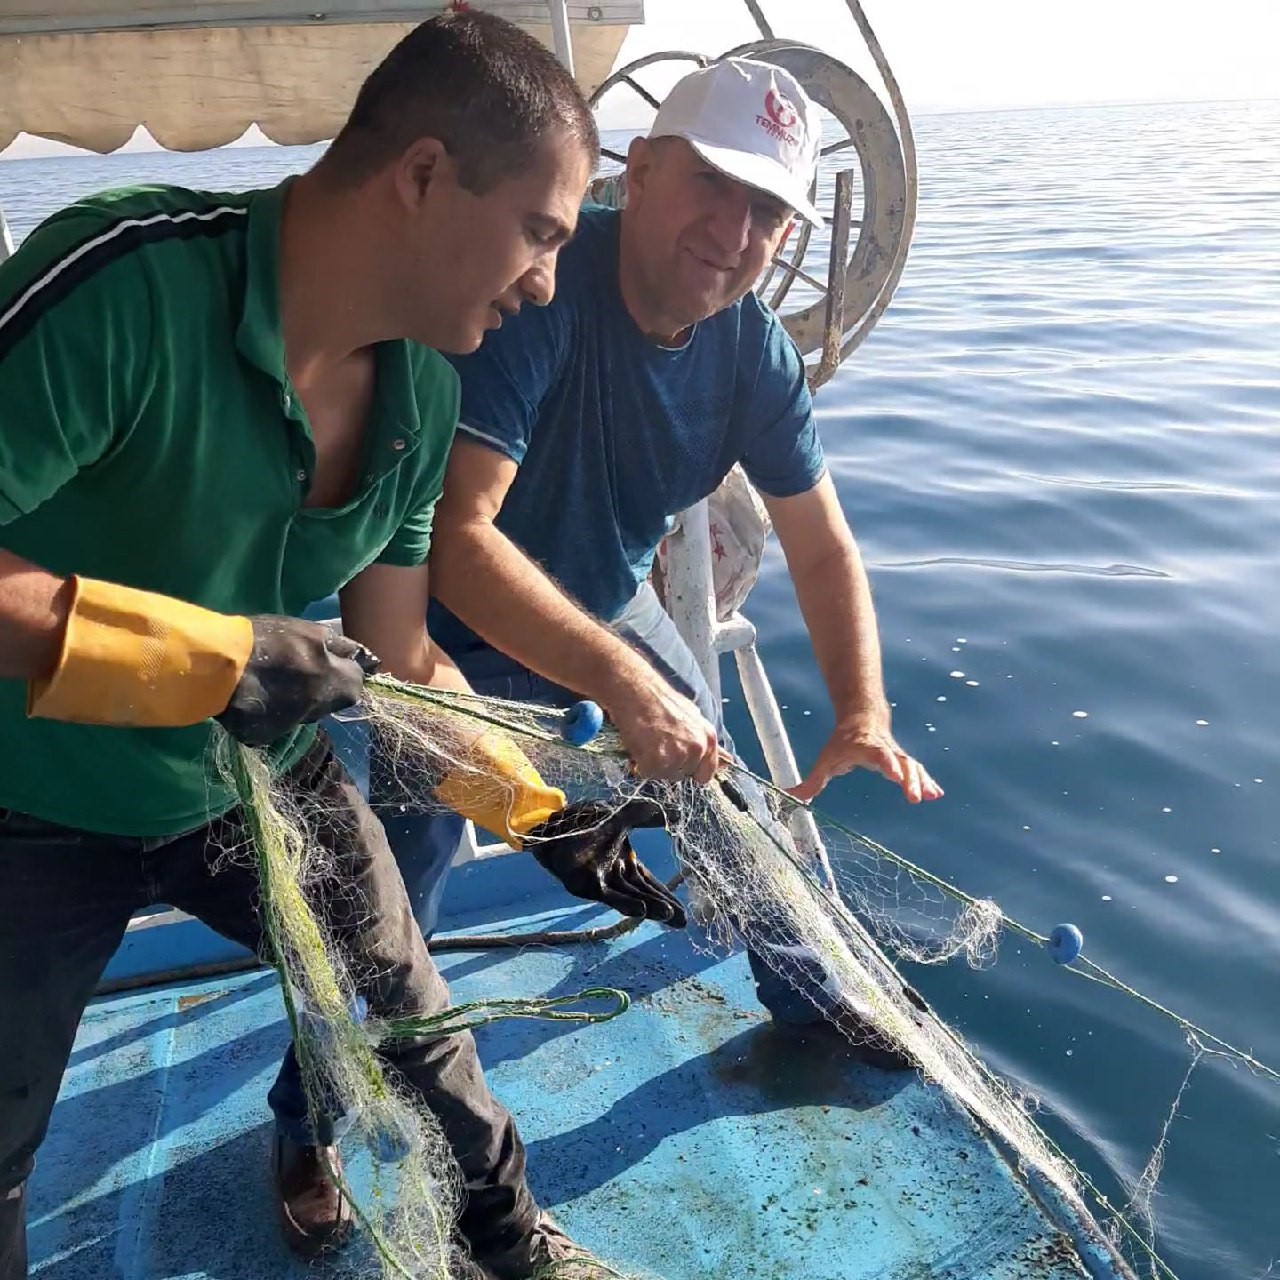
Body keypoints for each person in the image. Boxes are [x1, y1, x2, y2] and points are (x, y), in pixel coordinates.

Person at [0, 13, 689, 1280]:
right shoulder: (125, 282)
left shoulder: (422, 398)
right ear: (423, 175)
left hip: (252, 776)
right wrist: (200, 655)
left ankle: (509, 1241)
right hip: (30, 798)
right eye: (540, 232)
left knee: (420, 1014)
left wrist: (536, 806)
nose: (548, 281)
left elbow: (396, 656)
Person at [372, 60, 941, 1049]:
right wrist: (628, 691)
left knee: (724, 797)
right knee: (391, 890)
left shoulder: (750, 351)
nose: (730, 234)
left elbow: (819, 544)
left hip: (601, 605)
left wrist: (860, 709)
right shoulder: (536, 288)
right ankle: (317, 1121)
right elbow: (457, 541)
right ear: (636, 172)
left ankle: (810, 992)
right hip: (430, 633)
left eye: (764, 209)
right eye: (709, 185)